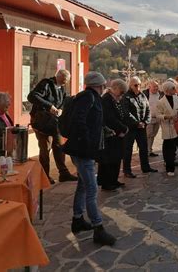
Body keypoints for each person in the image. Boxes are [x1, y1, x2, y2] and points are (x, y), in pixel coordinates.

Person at [63, 71, 116, 246]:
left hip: (84, 150)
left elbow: (93, 122)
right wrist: (87, 142)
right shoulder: (88, 97)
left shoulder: (90, 97)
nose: (104, 88)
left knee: (83, 185)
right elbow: (80, 121)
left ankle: (77, 219)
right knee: (92, 189)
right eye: (103, 86)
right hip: (83, 151)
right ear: (98, 85)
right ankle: (98, 228)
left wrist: (105, 132)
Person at [27, 69, 77, 183]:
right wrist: (50, 106)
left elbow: (63, 102)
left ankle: (63, 173)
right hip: (42, 123)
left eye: (67, 81)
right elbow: (32, 96)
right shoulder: (46, 84)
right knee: (45, 149)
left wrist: (61, 110)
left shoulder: (62, 88)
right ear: (58, 77)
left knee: (60, 146)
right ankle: (44, 176)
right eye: (64, 80)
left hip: (55, 123)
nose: (65, 82)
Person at [123, 77, 158, 178]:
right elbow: (126, 113)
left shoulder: (143, 95)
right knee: (128, 149)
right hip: (131, 127)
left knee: (144, 148)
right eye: (135, 85)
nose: (138, 87)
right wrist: (137, 123)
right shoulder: (126, 97)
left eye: (139, 85)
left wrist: (145, 122)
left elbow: (148, 110)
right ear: (130, 85)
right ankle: (127, 170)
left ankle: (146, 167)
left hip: (142, 127)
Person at [98, 79, 129, 191]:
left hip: (117, 134)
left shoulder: (115, 99)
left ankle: (113, 180)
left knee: (116, 158)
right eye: (121, 92)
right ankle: (107, 183)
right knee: (109, 160)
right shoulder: (106, 99)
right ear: (115, 88)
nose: (122, 95)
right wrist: (123, 128)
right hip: (110, 134)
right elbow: (109, 118)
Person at [142, 80, 163, 157]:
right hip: (148, 118)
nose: (156, 88)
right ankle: (146, 151)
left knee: (153, 135)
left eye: (157, 86)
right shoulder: (145, 94)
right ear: (149, 87)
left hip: (158, 118)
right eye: (154, 86)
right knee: (148, 135)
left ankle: (150, 150)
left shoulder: (160, 94)